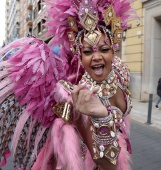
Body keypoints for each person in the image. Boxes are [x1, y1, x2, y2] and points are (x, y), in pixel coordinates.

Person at [0, 0, 137, 169]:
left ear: (113, 51)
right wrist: (102, 117)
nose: (96, 57)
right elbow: (108, 164)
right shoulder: (77, 98)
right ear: (80, 57)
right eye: (87, 52)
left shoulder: (120, 74)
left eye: (104, 49)